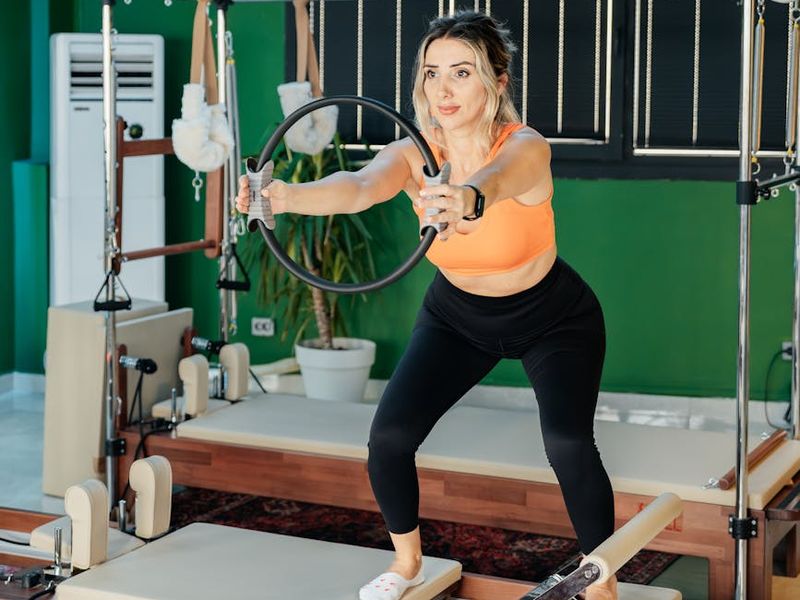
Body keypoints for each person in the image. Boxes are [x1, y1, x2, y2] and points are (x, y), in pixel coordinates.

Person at [237, 11, 616, 600]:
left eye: (461, 72)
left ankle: (601, 580)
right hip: (457, 317)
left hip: (554, 318)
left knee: (567, 443)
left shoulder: (524, 146)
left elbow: (500, 177)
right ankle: (407, 563)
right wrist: (287, 197)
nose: (443, 88)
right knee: (389, 437)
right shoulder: (415, 154)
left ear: (496, 81)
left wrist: (468, 197)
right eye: (432, 73)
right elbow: (360, 186)